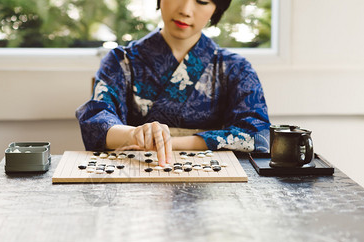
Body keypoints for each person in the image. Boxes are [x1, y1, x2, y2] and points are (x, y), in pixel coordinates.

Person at [76, 0, 270, 166]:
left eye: (202, 0)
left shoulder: (235, 68)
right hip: (134, 173)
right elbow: (98, 121)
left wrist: (168, 142)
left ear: (216, 8)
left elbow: (258, 134)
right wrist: (135, 135)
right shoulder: (121, 60)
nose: (185, 9)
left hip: (211, 181)